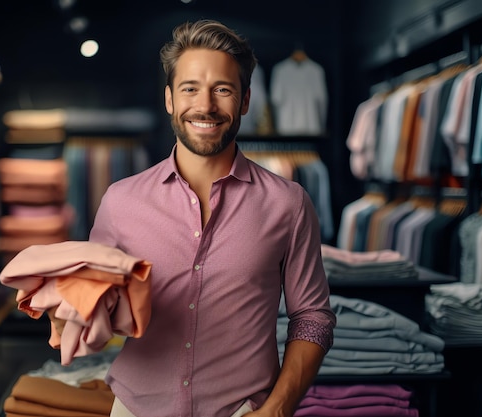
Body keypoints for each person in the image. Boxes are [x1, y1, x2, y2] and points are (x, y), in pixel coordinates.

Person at [50, 19, 336, 417]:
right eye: (190, 89)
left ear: (246, 100)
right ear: (169, 99)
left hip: (242, 409)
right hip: (136, 408)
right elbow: (97, 302)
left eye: (223, 89)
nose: (205, 106)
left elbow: (312, 317)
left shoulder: (289, 204)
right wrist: (67, 312)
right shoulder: (121, 201)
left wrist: (278, 408)